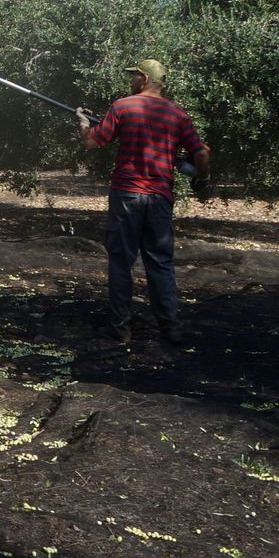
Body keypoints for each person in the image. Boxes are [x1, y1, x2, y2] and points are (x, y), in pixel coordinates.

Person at [79, 59, 209, 345]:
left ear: (145, 78)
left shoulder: (123, 106)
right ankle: (171, 328)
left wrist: (84, 125)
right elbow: (200, 154)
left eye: (135, 75)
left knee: (120, 262)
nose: (132, 80)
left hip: (127, 195)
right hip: (160, 198)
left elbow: (92, 143)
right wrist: (203, 179)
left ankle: (120, 327)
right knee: (160, 262)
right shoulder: (177, 113)